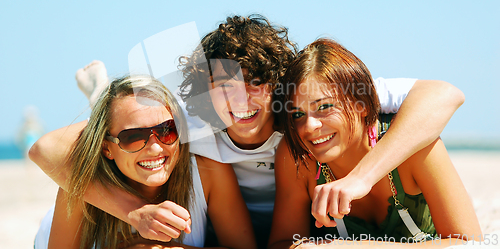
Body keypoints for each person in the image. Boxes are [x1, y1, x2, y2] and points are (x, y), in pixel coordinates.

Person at [30, 15, 465, 249]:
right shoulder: (191, 116)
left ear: (279, 83)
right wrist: (130, 212)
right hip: (233, 235)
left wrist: (363, 175)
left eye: (255, 82)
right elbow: (47, 148)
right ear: (204, 93)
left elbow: (444, 94)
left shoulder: (306, 108)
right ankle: (100, 99)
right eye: (223, 87)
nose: (241, 102)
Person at [268, 39, 481, 248]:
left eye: (324, 107)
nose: (309, 125)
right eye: (297, 114)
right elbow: (282, 243)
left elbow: (470, 243)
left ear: (363, 105)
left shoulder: (415, 147)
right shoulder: (298, 157)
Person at [34, 75, 256, 249]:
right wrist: (137, 213)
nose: (156, 148)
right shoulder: (82, 183)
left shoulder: (206, 170)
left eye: (167, 130)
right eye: (133, 137)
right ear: (106, 148)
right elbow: (42, 148)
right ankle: (100, 97)